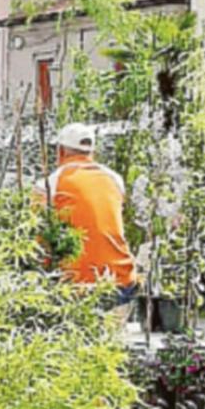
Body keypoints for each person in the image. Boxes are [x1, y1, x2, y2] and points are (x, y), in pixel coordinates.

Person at [44, 123, 138, 310]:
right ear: (92, 153)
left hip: (77, 284)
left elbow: (40, 239)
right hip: (122, 279)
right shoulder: (114, 180)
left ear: (60, 152)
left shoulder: (50, 184)